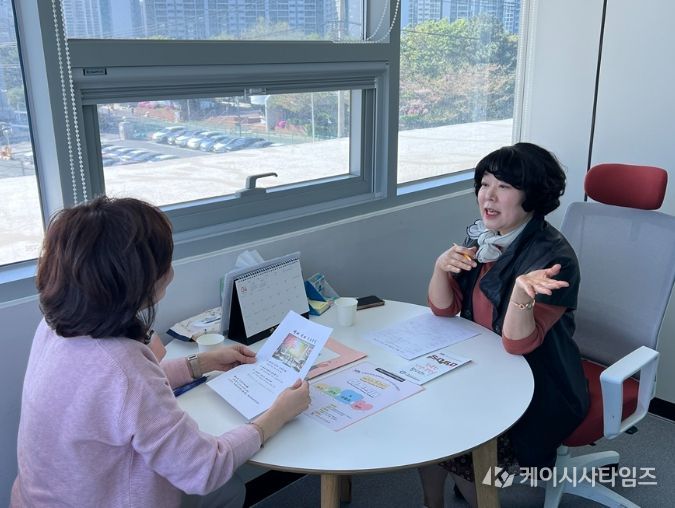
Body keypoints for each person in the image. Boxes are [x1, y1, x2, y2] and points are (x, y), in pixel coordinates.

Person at [11, 196, 310, 508]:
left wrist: (199, 363)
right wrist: (276, 415)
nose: (171, 270)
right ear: (135, 278)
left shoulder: (56, 327)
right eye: (165, 260)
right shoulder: (124, 366)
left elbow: (114, 397)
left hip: (37, 499)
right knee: (228, 489)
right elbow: (204, 468)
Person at [419, 143, 590, 508]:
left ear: (532, 196)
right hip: (482, 364)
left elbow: (517, 344)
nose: (488, 195)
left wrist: (522, 293)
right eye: (484, 183)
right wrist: (439, 267)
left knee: (461, 443)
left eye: (504, 186)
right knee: (426, 414)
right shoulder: (484, 238)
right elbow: (444, 309)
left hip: (536, 381)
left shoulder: (554, 258)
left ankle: (477, 492)